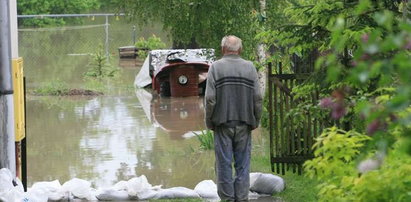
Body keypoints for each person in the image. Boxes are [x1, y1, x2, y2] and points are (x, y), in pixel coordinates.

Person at [205, 35, 263, 202]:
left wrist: (209, 121)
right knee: (243, 165)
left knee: (223, 165)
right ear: (240, 49)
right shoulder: (250, 67)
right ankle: (242, 198)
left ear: (223, 49)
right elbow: (258, 97)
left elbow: (210, 99)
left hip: (222, 124)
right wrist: (256, 120)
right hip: (245, 123)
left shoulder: (215, 67)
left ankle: (228, 199)